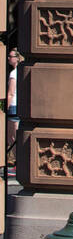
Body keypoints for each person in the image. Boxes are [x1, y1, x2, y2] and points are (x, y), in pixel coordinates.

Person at [5, 47, 21, 176]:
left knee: (12, 138)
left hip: (13, 106)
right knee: (15, 137)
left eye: (11, 56)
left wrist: (5, 108)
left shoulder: (13, 73)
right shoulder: (21, 71)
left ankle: (18, 164)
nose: (9, 58)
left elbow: (10, 93)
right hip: (20, 106)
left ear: (17, 58)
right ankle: (18, 164)